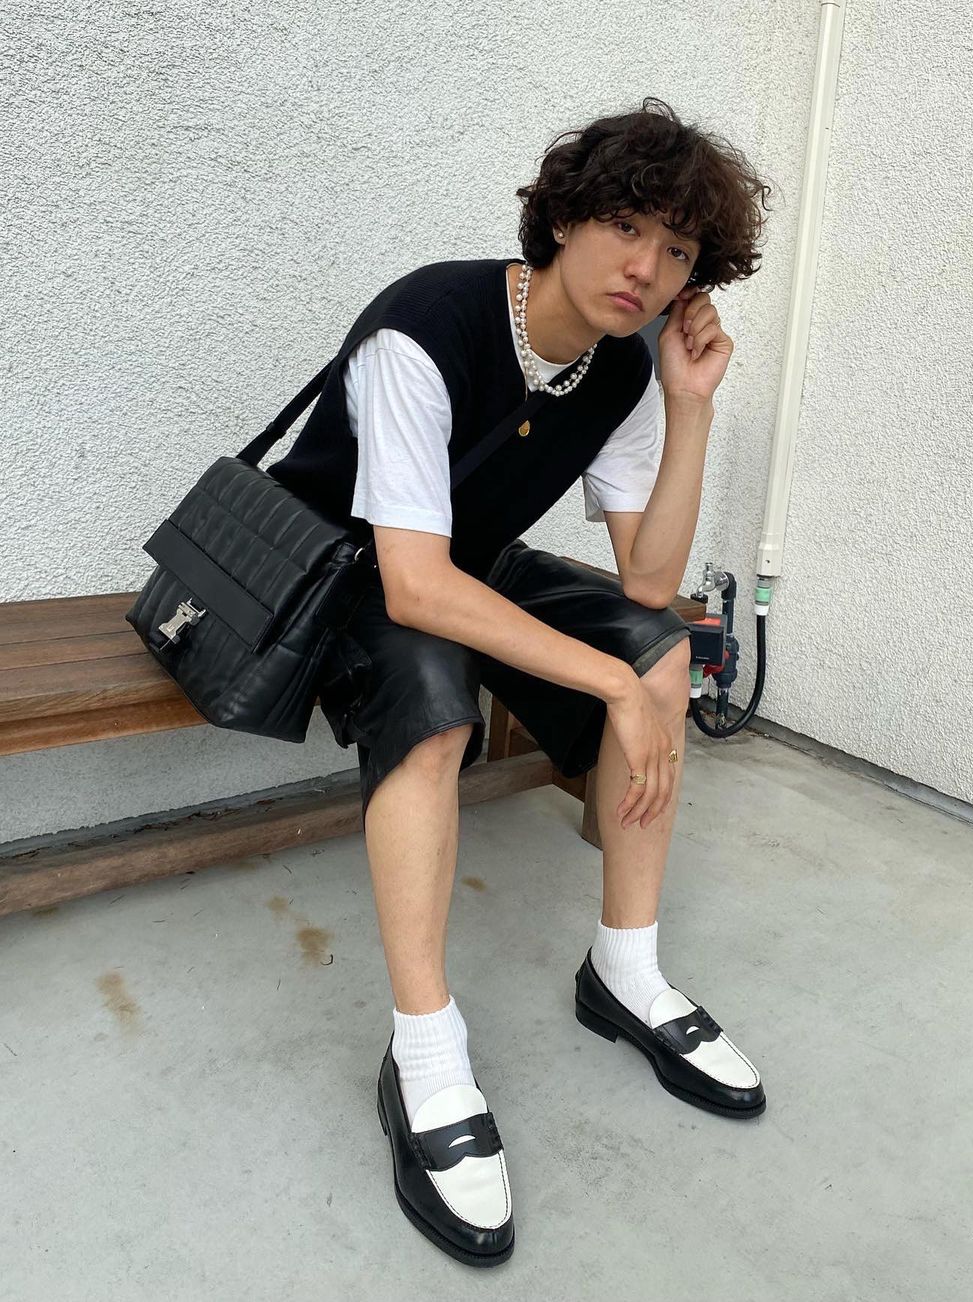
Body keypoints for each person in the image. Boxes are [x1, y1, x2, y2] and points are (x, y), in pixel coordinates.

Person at [266, 96, 771, 1267]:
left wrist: (691, 408)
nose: (648, 268)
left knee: (661, 653)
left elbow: (650, 580)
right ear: (566, 218)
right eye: (629, 227)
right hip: (345, 570)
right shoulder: (425, 325)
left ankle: (625, 973)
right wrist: (606, 685)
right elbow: (410, 586)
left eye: (679, 251)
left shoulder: (624, 370)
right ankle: (424, 1051)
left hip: (463, 563)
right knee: (434, 710)